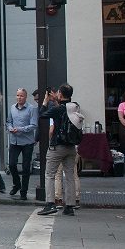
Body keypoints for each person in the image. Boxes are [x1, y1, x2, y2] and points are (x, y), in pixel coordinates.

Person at [38, 83, 84, 216]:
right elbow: (63, 107)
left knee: (50, 174)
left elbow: (42, 115)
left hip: (57, 146)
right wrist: (55, 99)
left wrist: (46, 101)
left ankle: (50, 204)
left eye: (58, 92)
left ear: (60, 94)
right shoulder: (74, 107)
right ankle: (69, 206)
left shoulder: (58, 110)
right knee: (70, 176)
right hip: (71, 147)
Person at [7, 88, 38, 200]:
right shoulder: (12, 108)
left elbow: (34, 125)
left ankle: (23, 191)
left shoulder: (31, 109)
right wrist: (10, 128)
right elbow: (8, 121)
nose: (19, 97)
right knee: (11, 164)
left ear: (25, 97)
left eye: (21, 96)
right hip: (14, 141)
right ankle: (17, 184)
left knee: (26, 168)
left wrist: (20, 129)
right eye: (17, 95)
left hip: (27, 142)